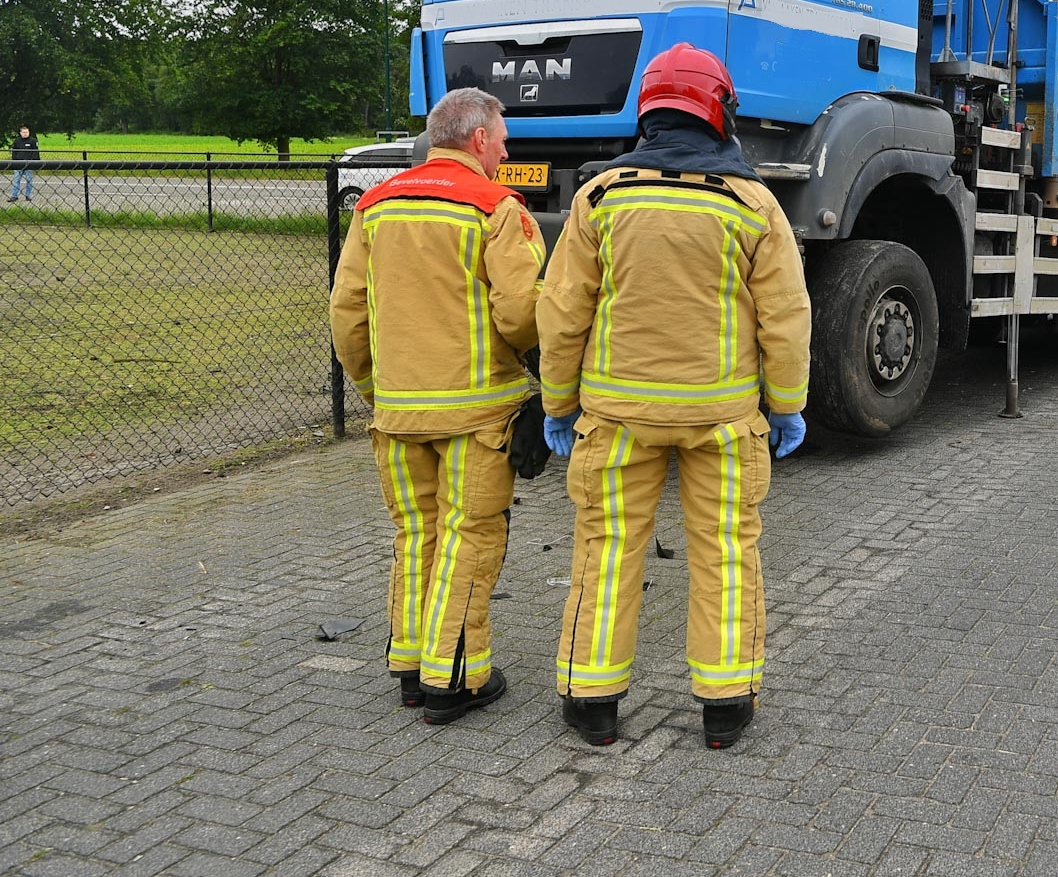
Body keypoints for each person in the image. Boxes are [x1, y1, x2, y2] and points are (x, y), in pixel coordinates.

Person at [539, 43, 811, 748]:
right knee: (724, 552)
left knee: (605, 549)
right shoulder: (753, 205)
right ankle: (725, 706)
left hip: (616, 417)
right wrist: (786, 404)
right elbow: (785, 316)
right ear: (718, 110)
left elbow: (564, 311)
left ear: (648, 110)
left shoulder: (599, 198)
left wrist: (557, 404)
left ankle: (592, 700)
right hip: (721, 419)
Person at [327, 88, 546, 722]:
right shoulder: (497, 208)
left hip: (396, 415)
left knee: (415, 533)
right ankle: (454, 679)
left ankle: (412, 667)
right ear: (478, 140)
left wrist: (377, 390)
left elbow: (348, 318)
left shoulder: (374, 205)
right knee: (468, 538)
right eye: (502, 141)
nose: (505, 154)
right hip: (476, 417)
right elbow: (521, 314)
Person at [8, 125, 39, 202]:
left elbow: (35, 153)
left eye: (27, 132)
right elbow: (14, 152)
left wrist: (33, 162)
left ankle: (28, 196)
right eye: (23, 132)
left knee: (29, 180)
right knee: (16, 180)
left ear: (29, 132)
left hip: (29, 164)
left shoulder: (33, 141)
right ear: (20, 133)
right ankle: (14, 196)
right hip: (18, 163)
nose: (25, 133)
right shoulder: (17, 141)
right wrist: (14, 161)